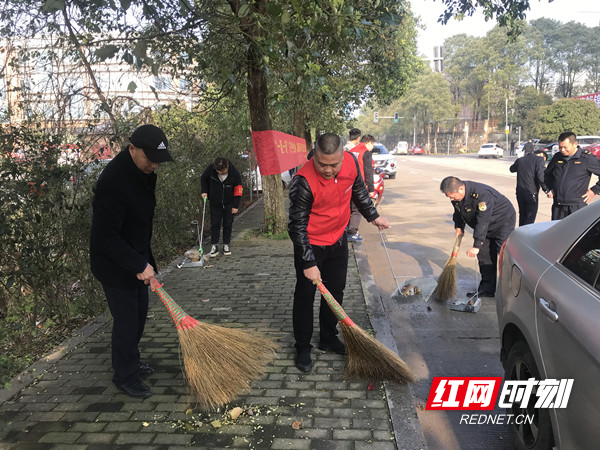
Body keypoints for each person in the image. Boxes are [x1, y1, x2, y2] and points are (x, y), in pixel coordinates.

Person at [288, 133, 390, 372]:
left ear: (342, 155)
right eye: (322, 164)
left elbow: (359, 192)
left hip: (337, 239)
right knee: (305, 297)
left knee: (335, 292)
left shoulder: (351, 162)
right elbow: (296, 225)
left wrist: (373, 217)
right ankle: (302, 346)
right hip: (310, 244)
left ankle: (327, 338)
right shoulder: (303, 180)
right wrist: (307, 262)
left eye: (333, 164)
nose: (328, 169)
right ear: (315, 155)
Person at [90, 124, 174, 398]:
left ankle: (132, 362)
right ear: (131, 149)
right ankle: (124, 376)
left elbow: (140, 222)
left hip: (136, 256)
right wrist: (137, 265)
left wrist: (145, 261)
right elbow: (104, 237)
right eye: (149, 159)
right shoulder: (113, 182)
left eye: (158, 160)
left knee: (138, 318)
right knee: (126, 321)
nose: (154, 165)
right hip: (114, 264)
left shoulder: (143, 172)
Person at [440, 176, 515, 298]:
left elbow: (483, 221)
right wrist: (459, 226)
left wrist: (476, 245)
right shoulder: (456, 197)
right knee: (484, 256)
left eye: (452, 196)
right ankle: (487, 289)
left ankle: (511, 291)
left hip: (502, 222)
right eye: (448, 197)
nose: (451, 199)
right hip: (484, 225)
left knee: (504, 255)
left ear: (460, 189)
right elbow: (458, 211)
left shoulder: (481, 195)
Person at [544, 131, 600, 220]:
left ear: (575, 144)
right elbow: (547, 174)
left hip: (576, 207)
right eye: (560, 147)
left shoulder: (586, 158)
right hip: (558, 206)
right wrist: (549, 188)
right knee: (558, 233)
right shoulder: (557, 157)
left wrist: (594, 190)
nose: (562, 150)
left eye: (565, 147)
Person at [201, 157, 243, 257]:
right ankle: (214, 245)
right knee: (215, 223)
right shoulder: (211, 169)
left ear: (227, 167)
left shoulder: (234, 173)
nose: (220, 172)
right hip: (215, 202)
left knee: (228, 223)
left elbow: (238, 189)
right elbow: (203, 178)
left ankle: (226, 245)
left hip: (229, 202)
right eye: (218, 171)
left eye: (222, 170)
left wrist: (235, 205)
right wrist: (204, 191)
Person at [509, 147, 550, 226]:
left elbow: (511, 169)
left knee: (522, 214)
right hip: (531, 193)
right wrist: (547, 190)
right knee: (530, 217)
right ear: (542, 155)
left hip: (520, 192)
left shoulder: (521, 160)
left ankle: (521, 234)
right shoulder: (539, 160)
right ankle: (527, 234)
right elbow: (541, 177)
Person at [346, 134, 376, 242]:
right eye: (372, 145)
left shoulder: (351, 151)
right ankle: (352, 233)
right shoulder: (366, 153)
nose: (372, 148)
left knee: (349, 208)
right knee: (357, 209)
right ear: (369, 143)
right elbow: (368, 172)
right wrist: (371, 190)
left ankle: (347, 229)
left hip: (347, 184)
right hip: (359, 185)